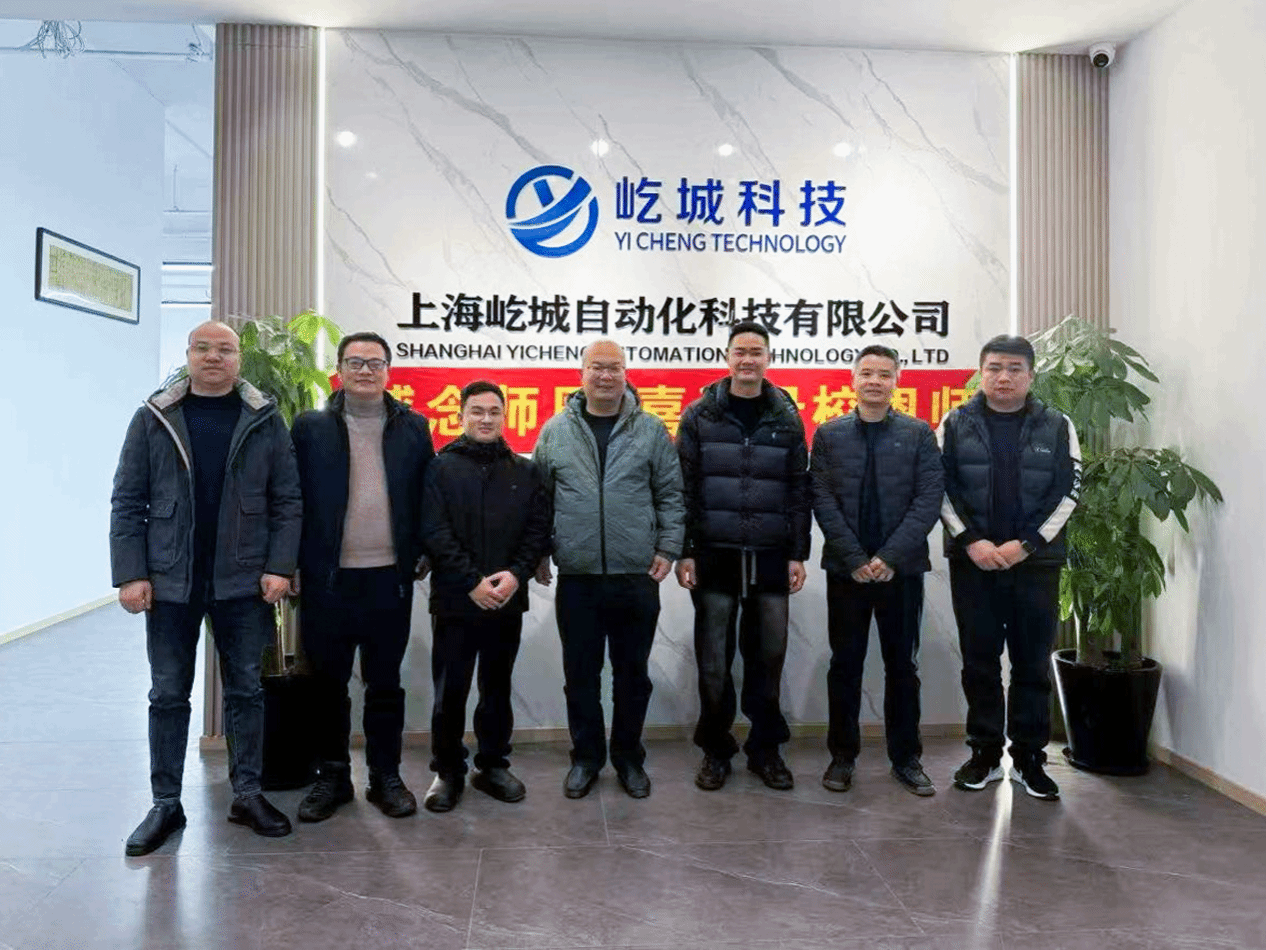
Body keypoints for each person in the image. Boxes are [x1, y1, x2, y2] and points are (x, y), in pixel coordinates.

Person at [111, 320, 301, 856]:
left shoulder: (264, 419)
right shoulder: (154, 418)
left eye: (225, 349)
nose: (214, 357)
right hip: (171, 579)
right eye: (203, 348)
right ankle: (165, 804)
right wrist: (130, 573)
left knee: (246, 690)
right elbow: (128, 500)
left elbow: (288, 500)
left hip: (243, 579)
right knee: (168, 693)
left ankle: (248, 794)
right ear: (189, 355)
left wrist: (280, 566)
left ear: (238, 360)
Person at [290, 331, 434, 821]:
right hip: (327, 580)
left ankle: (384, 777)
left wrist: (424, 551)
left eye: (375, 362)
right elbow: (291, 498)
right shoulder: (310, 427)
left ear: (389, 371)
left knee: (385, 684)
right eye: (355, 362)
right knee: (328, 685)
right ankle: (332, 777)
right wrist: (289, 563)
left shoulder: (413, 427)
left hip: (389, 580)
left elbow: (427, 497)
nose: (366, 371)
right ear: (339, 370)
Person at [532, 340, 684, 800]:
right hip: (578, 578)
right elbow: (539, 501)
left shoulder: (650, 429)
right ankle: (586, 758)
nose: (605, 376)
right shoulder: (556, 431)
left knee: (632, 676)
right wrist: (539, 552)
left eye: (614, 367)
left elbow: (671, 494)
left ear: (625, 373)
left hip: (635, 576)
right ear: (581, 373)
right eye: (596, 367)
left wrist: (668, 548)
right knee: (580, 676)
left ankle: (629, 758)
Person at [939, 334, 1080, 801]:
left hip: (1035, 566)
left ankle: (1028, 760)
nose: (1004, 377)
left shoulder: (1058, 425)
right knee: (979, 664)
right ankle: (983, 754)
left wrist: (1028, 545)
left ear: (1031, 375)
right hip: (973, 564)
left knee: (1032, 665)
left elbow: (1068, 491)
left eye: (1014, 369)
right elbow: (940, 487)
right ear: (981, 373)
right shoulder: (954, 423)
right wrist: (972, 541)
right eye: (995, 368)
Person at [675, 321, 811, 791]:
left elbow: (798, 490)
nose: (748, 359)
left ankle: (765, 750)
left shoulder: (786, 416)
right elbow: (684, 487)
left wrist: (797, 553)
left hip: (771, 555)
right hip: (715, 555)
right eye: (740, 351)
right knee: (714, 663)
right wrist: (685, 551)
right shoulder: (700, 415)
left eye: (757, 351)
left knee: (769, 659)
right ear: (727, 357)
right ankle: (715, 751)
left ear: (768, 358)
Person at [810, 345, 943, 796]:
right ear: (853, 380)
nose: (874, 381)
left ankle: (906, 758)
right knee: (844, 666)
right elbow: (822, 499)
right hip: (846, 571)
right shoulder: (829, 435)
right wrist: (854, 558)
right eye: (866, 373)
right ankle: (841, 758)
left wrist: (889, 557)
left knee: (902, 667)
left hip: (900, 572)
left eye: (884, 374)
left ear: (896, 381)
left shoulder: (918, 434)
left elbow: (928, 499)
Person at [420, 380, 552, 812]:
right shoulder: (440, 467)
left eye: (494, 411)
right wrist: (471, 582)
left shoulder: (524, 471)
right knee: (451, 691)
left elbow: (537, 530)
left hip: (506, 598)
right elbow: (434, 531)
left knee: (496, 687)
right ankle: (448, 770)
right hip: (456, 600)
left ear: (505, 416)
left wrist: (515, 575)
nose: (486, 419)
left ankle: (493, 764)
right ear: (461, 415)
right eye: (477, 411)